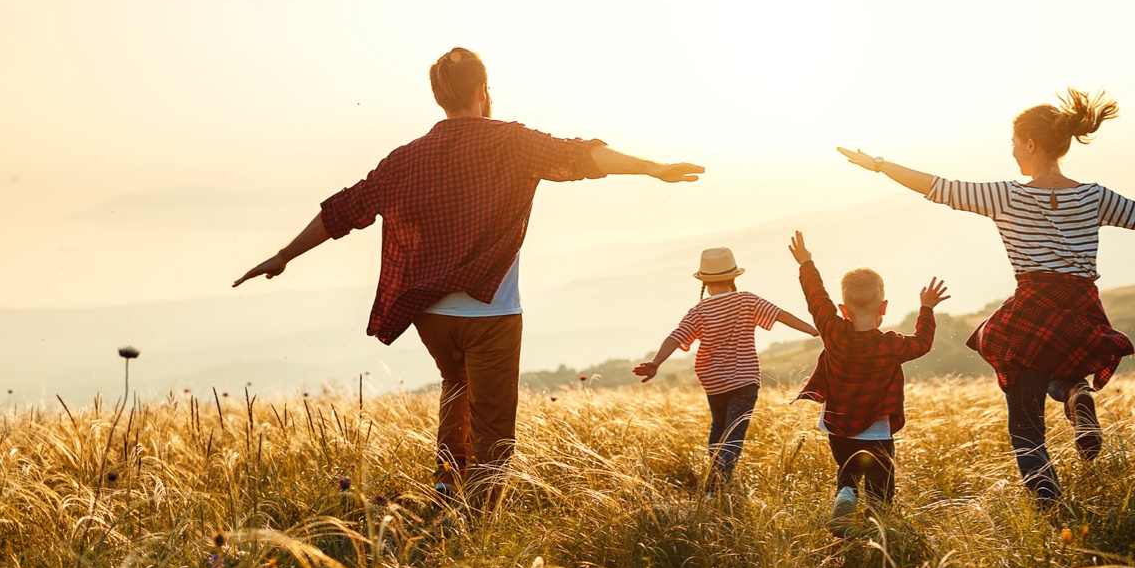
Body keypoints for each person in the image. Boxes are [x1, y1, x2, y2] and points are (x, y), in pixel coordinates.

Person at [233, 48, 704, 510]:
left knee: (455, 387)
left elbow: (344, 210)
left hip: (430, 316)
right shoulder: (511, 142)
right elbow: (583, 156)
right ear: (483, 91)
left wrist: (283, 255)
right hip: (492, 314)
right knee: (494, 424)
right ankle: (476, 519)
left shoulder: (404, 159)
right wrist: (653, 168)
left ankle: (445, 486)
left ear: (440, 97)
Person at [836, 89, 1135, 505]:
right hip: (1082, 307)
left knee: (1024, 424)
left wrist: (878, 165)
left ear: (1030, 143)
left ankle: (1051, 507)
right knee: (1052, 369)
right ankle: (1074, 394)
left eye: (1012, 142)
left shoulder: (1006, 195)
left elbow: (937, 186)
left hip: (1033, 305)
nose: (1010, 151)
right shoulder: (1093, 196)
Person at [785, 231, 944, 536]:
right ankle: (876, 530)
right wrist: (926, 308)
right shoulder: (890, 345)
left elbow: (816, 298)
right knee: (880, 486)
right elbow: (922, 342)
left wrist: (806, 263)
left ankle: (845, 494)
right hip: (876, 431)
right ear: (883, 308)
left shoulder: (832, 331)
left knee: (848, 472)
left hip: (837, 427)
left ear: (843, 310)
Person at [633, 247, 818, 494]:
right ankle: (718, 483)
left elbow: (675, 337)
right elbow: (780, 315)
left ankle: (712, 484)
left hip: (713, 381)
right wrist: (814, 330)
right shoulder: (747, 300)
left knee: (718, 428)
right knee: (734, 433)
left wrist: (656, 363)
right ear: (733, 277)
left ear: (705, 282)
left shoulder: (699, 311)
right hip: (744, 380)